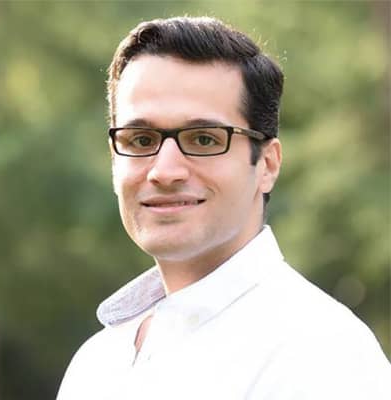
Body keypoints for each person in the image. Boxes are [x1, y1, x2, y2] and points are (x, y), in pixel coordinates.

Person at [57, 16, 390, 400]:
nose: (164, 171)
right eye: (141, 139)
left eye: (203, 139)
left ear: (267, 165)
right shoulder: (97, 364)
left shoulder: (323, 358)